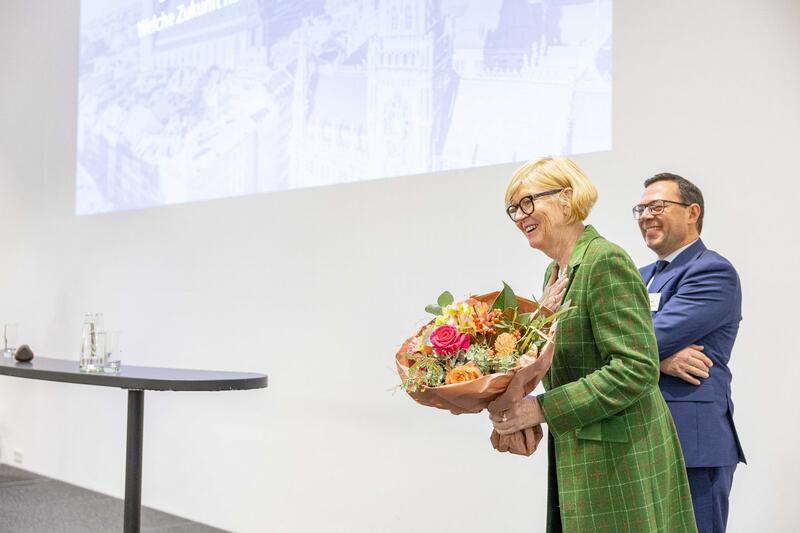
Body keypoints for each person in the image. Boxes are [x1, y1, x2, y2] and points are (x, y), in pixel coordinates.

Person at [491, 157, 696, 532]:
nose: (520, 217)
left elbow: (635, 369)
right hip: (580, 452)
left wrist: (543, 409)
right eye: (513, 209)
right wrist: (508, 400)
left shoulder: (605, 260)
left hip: (621, 457)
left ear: (566, 198)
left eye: (527, 203)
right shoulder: (554, 272)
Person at [635, 173, 746, 533]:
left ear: (692, 212)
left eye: (657, 206)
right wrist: (664, 360)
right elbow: (616, 340)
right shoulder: (638, 276)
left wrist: (648, 351)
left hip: (691, 447)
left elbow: (647, 338)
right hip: (639, 439)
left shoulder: (711, 270)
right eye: (640, 208)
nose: (645, 215)